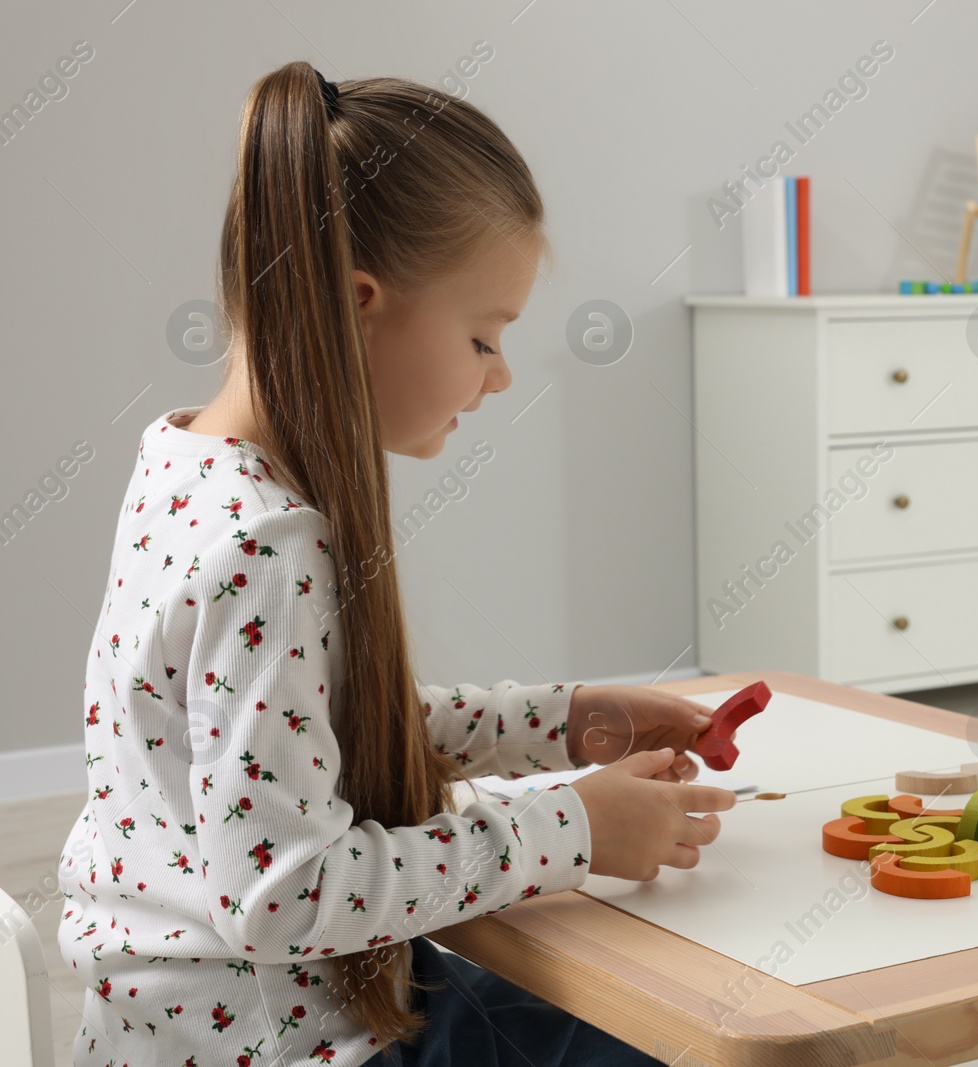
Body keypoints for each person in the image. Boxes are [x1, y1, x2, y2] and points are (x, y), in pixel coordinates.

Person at [57, 60, 738, 1067]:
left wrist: (565, 720)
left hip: (187, 1016)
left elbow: (299, 731)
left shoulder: (186, 460)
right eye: (483, 334)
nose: (500, 374)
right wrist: (571, 828)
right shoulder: (267, 544)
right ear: (361, 301)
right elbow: (281, 896)